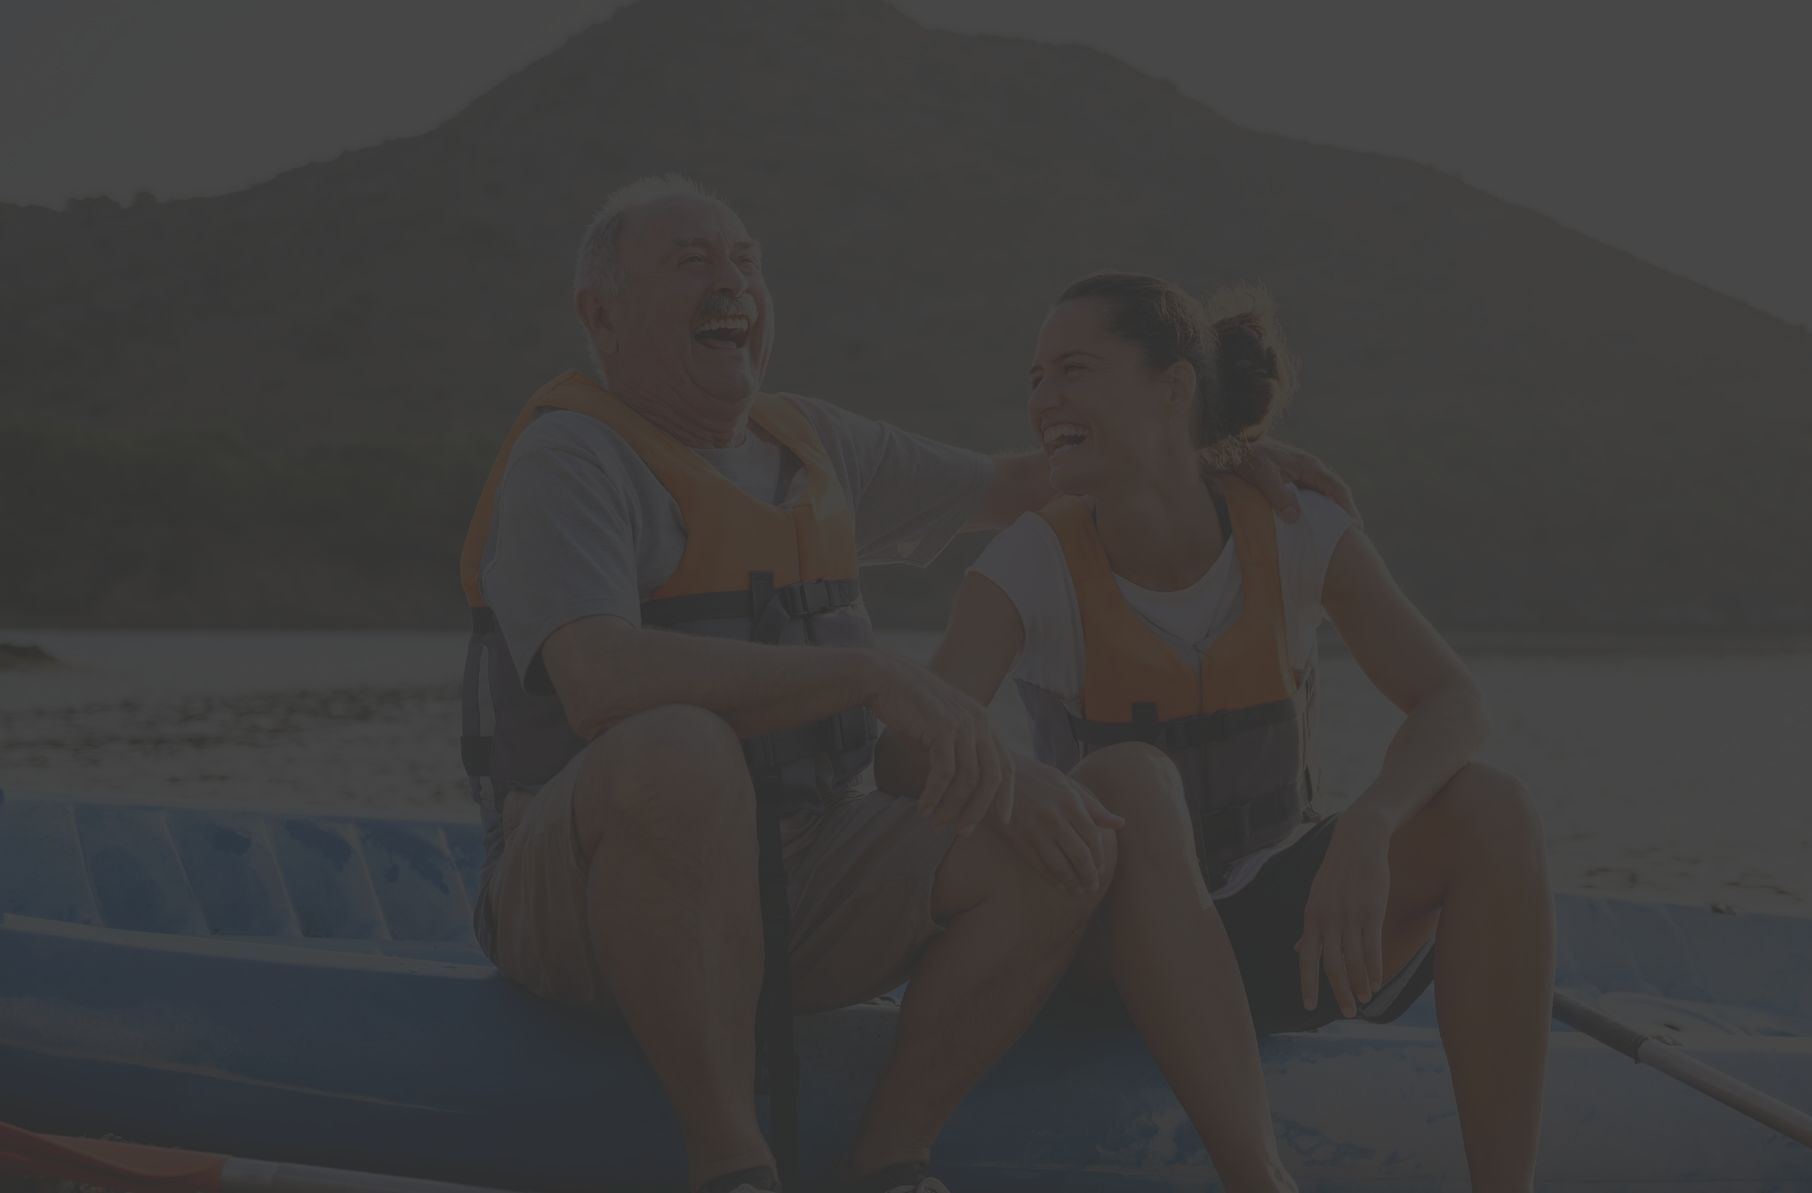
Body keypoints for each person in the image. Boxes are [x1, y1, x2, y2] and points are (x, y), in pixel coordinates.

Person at [455, 176, 1351, 1193]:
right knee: (679, 747)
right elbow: (597, 679)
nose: (732, 281)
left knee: (1080, 823)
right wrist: (870, 674)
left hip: (805, 866)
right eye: (691, 260)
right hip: (584, 887)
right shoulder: (571, 456)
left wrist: (1204, 454)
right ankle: (730, 1160)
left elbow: (1027, 482)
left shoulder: (816, 444)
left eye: (745, 258)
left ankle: (888, 1155)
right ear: (600, 312)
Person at [904, 272, 1557, 1192]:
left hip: (1275, 945)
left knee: (1491, 807)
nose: (1044, 398)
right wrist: (1017, 789)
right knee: (1129, 776)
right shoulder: (1028, 559)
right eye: (1035, 377)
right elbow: (914, 750)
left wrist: (1369, 824)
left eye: (1074, 370)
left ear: (1172, 389)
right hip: (1098, 961)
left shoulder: (1293, 524)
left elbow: (1454, 700)